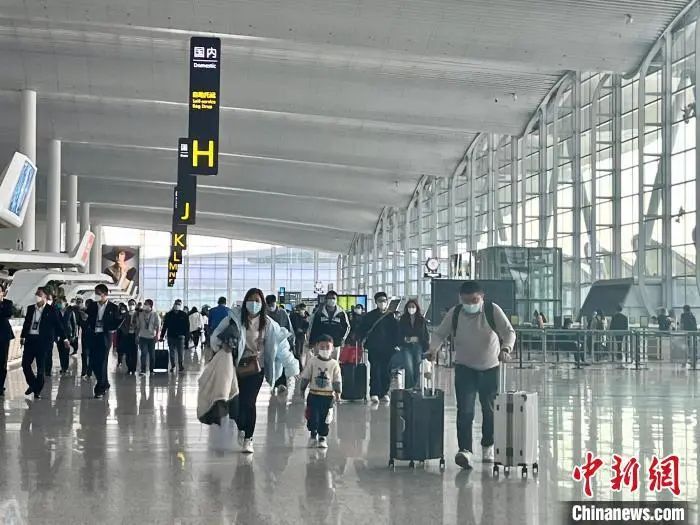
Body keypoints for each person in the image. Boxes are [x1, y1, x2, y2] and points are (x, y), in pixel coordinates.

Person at [428, 280, 515, 469]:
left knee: (489, 411)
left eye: (474, 300)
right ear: (460, 299)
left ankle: (487, 445)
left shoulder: (492, 310)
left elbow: (509, 332)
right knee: (465, 411)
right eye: (466, 301)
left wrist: (506, 348)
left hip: (490, 368)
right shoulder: (456, 313)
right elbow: (440, 334)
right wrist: (433, 349)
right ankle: (465, 450)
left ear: (482, 297)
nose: (470, 304)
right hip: (464, 368)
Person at [211, 288, 297, 454]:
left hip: (256, 368)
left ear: (262, 304)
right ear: (245, 302)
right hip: (235, 367)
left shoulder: (269, 324)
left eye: (257, 301)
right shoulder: (234, 320)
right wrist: (221, 346)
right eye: (250, 300)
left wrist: (292, 367)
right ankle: (241, 428)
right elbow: (216, 337)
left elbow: (282, 347)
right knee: (235, 404)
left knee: (249, 403)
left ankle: (248, 438)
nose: (253, 304)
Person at [20, 287, 70, 399]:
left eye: (39, 294)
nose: (37, 296)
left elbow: (58, 326)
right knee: (25, 364)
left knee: (40, 368)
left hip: (43, 342)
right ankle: (33, 384)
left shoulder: (51, 310)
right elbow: (27, 323)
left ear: (45, 297)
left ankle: (37, 390)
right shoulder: (30, 308)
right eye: (36, 294)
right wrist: (23, 336)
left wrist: (65, 339)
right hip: (30, 340)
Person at [299, 334, 342, 449]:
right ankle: (313, 435)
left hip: (328, 396)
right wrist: (302, 389)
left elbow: (337, 379)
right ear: (317, 346)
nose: (325, 349)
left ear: (332, 348)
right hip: (314, 395)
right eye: (322, 347)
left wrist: (338, 392)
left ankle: (322, 437)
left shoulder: (334, 364)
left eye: (328, 347)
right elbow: (306, 376)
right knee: (313, 416)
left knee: (325, 418)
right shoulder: (312, 361)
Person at [357, 291, 399, 404]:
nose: (382, 303)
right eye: (380, 301)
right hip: (374, 347)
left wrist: (396, 344)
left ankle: (384, 392)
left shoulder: (391, 316)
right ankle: (374, 393)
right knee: (375, 369)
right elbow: (362, 329)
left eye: (384, 300)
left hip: (388, 348)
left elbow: (396, 331)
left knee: (386, 371)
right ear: (376, 302)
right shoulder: (369, 316)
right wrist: (362, 341)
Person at [85, 284, 122, 399]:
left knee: (102, 362)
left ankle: (100, 389)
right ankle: (105, 383)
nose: (96, 295)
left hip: (105, 337)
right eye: (95, 293)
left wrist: (112, 327)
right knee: (93, 362)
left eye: (98, 293)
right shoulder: (92, 306)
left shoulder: (113, 308)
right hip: (93, 335)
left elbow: (117, 321)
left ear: (105, 294)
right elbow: (87, 319)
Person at [266, 295, 296, 394]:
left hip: (282, 343)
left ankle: (282, 384)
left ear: (276, 303)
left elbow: (289, 327)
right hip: (269, 343)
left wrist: (291, 343)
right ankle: (272, 383)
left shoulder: (282, 313)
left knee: (282, 363)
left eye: (272, 304)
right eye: (269, 305)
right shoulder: (264, 313)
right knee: (272, 365)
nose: (271, 307)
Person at [396, 299, 430, 388]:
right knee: (409, 367)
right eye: (409, 307)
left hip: (418, 347)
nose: (411, 308)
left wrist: (420, 341)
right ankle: (409, 388)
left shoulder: (421, 320)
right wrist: (406, 339)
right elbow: (399, 333)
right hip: (406, 347)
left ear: (416, 308)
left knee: (417, 367)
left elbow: (425, 334)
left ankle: (415, 387)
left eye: (413, 307)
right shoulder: (403, 319)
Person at [308, 290, 350, 360]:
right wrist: (311, 341)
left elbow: (347, 327)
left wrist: (342, 339)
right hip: (321, 343)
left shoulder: (341, 313)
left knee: (334, 363)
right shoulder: (319, 313)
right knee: (320, 362)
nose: (331, 300)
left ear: (336, 300)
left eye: (333, 298)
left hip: (336, 343)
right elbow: (313, 327)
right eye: (329, 298)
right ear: (326, 300)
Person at [159, 299, 189, 374]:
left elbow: (187, 326)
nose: (177, 305)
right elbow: (165, 326)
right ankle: (173, 365)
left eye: (179, 304)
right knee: (171, 352)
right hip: (171, 336)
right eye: (176, 304)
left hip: (180, 337)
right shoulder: (169, 314)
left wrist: (186, 336)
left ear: (180, 305)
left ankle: (180, 365)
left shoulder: (184, 315)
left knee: (180, 352)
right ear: (174, 304)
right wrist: (162, 336)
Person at [137, 299, 160, 375]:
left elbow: (158, 326)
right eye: (144, 304)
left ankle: (152, 370)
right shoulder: (141, 314)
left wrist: (157, 335)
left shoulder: (155, 314)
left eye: (146, 304)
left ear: (150, 306)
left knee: (152, 355)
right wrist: (137, 336)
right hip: (143, 337)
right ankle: (143, 370)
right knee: (143, 354)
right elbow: (138, 326)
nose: (144, 305)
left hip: (151, 338)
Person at [56, 297, 77, 374]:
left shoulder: (70, 312)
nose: (59, 304)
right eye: (58, 303)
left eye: (60, 302)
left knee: (66, 351)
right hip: (59, 335)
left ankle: (65, 367)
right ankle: (63, 366)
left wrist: (74, 335)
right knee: (60, 351)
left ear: (65, 303)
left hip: (68, 334)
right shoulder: (56, 312)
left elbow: (74, 324)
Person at [118, 299, 139, 374]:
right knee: (127, 353)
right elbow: (121, 325)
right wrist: (125, 330)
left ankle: (133, 368)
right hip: (127, 335)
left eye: (132, 304)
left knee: (134, 352)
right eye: (130, 304)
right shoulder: (125, 315)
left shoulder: (138, 314)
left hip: (134, 335)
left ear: (135, 305)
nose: (131, 306)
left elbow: (140, 325)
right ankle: (129, 368)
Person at [0, 286, 14, 397]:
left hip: (4, 336)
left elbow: (7, 314)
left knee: (2, 362)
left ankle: (0, 386)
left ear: (3, 293)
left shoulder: (8, 303)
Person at [76, 297, 92, 378]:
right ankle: (84, 371)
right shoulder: (82, 312)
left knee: (90, 354)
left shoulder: (94, 313)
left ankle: (89, 371)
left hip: (92, 336)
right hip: (85, 335)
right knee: (85, 354)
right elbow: (79, 323)